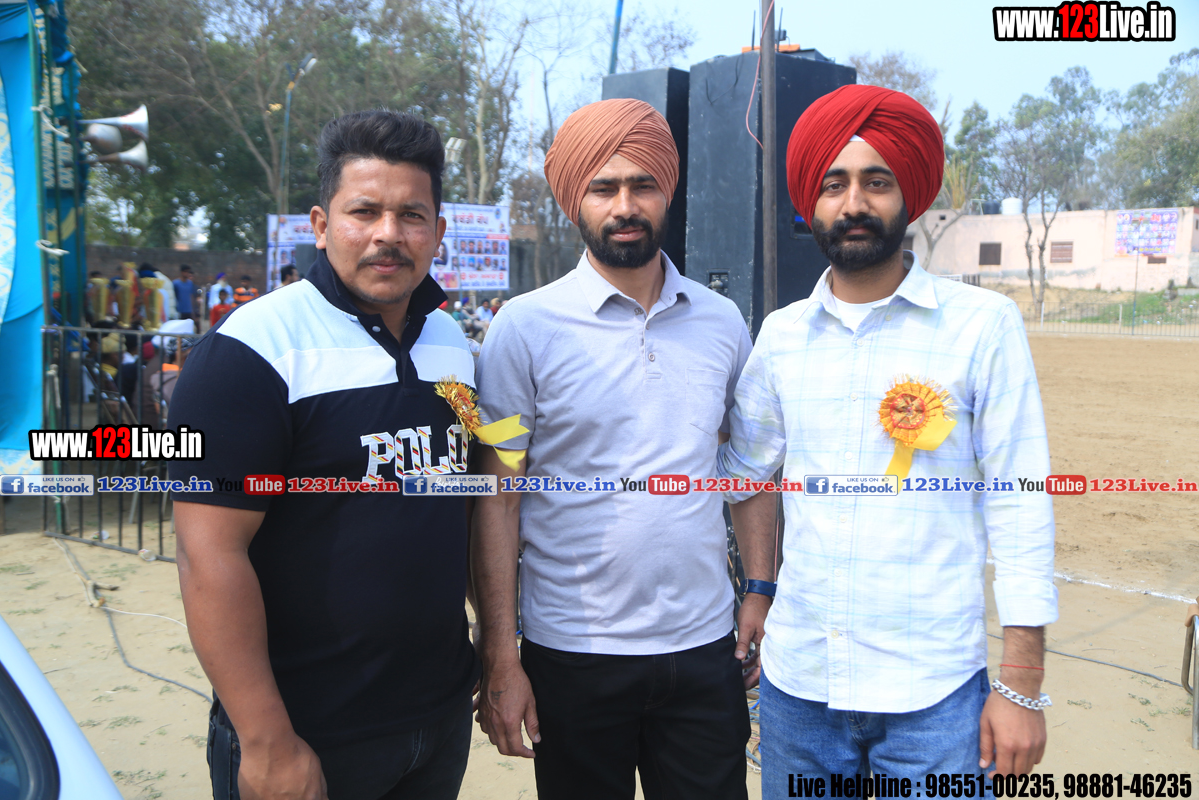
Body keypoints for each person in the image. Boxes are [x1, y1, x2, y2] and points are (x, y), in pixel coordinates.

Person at [716, 84, 1057, 796]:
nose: (854, 203)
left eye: (877, 182)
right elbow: (746, 473)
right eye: (834, 184)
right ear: (810, 203)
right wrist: (759, 588)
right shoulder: (781, 337)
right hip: (799, 687)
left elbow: (1020, 500)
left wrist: (1022, 682)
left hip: (935, 695)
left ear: (910, 196)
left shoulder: (982, 325)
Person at [168, 109, 480, 800]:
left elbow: (468, 499)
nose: (388, 234)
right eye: (363, 211)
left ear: (438, 232)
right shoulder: (251, 349)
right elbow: (207, 553)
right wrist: (266, 739)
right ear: (320, 224)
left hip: (437, 719)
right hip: (307, 732)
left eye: (411, 215)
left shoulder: (453, 344)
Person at [473, 97, 755, 800]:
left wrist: (760, 590)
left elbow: (748, 469)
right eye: (604, 188)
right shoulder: (522, 329)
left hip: (704, 648)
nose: (625, 206)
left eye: (642, 185)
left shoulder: (722, 322)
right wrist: (500, 657)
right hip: (572, 653)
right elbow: (498, 498)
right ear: (576, 199)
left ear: (668, 192)